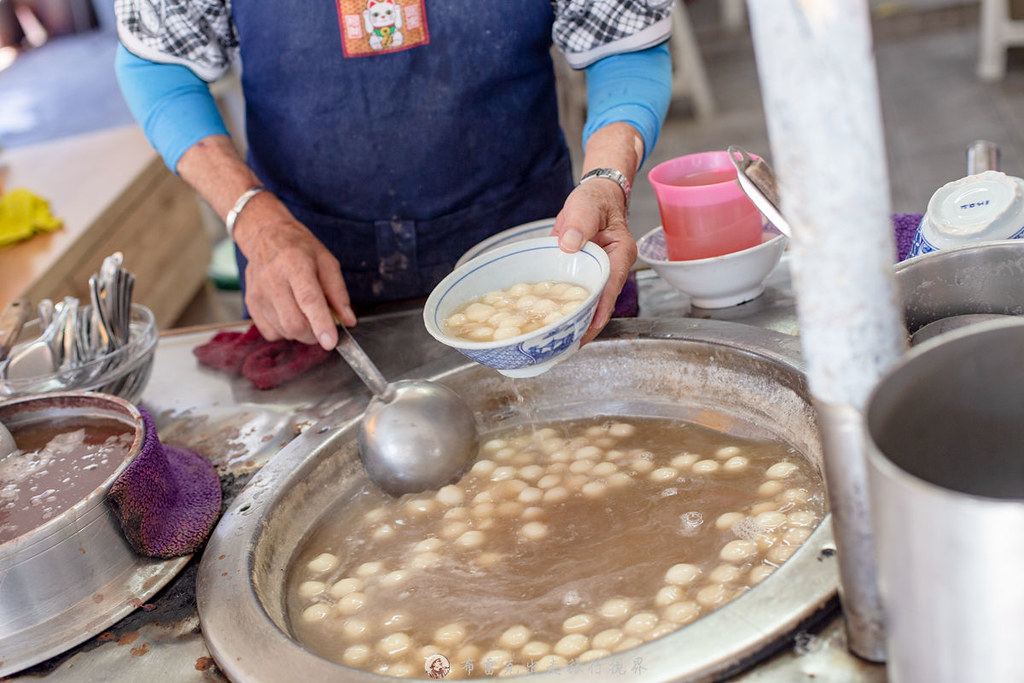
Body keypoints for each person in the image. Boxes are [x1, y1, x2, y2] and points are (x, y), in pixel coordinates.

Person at [113, 0, 673, 351]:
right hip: (312, 276)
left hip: (536, 263)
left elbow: (621, 45)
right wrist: (254, 221)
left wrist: (606, 179)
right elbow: (159, 65)